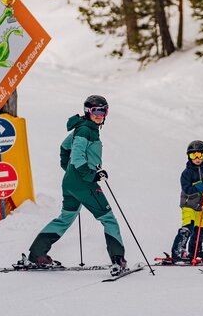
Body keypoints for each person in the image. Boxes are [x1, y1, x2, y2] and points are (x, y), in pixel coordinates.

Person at [26, 95, 128, 275]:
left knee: (65, 218)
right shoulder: (85, 131)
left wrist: (69, 169)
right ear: (88, 111)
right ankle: (118, 260)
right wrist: (91, 174)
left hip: (71, 182)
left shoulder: (82, 128)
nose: (99, 115)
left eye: (103, 111)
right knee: (108, 218)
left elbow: (65, 148)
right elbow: (78, 156)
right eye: (96, 111)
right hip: (84, 183)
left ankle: (37, 254)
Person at [169, 140, 203, 263]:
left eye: (200, 155)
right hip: (188, 204)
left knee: (201, 229)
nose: (197, 158)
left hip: (201, 206)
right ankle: (178, 251)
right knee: (188, 226)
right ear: (189, 156)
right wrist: (197, 187)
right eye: (193, 155)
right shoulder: (186, 173)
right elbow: (186, 188)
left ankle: (195, 250)